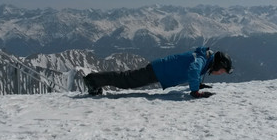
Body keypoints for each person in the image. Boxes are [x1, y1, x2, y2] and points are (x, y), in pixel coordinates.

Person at [83, 47, 232, 98]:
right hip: (158, 71)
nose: (221, 73)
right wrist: (195, 92)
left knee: (127, 80)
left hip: (160, 70)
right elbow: (193, 70)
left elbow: (193, 70)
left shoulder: (204, 60)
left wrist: (198, 85)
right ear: (218, 65)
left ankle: (95, 81)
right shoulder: (201, 59)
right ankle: (93, 80)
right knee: (127, 80)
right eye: (222, 71)